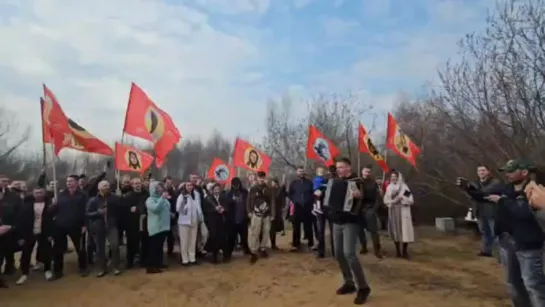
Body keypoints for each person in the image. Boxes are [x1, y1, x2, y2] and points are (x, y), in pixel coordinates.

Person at [485, 159, 545, 307]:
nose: (507, 174)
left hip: (529, 244)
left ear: (524, 172)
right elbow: (483, 195)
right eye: (506, 171)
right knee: (514, 284)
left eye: (511, 171)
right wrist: (469, 189)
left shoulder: (535, 189)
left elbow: (525, 213)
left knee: (533, 285)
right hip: (509, 241)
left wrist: (503, 202)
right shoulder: (507, 189)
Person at [323, 157, 370, 305]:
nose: (339, 170)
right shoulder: (334, 181)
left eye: (342, 167)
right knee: (338, 253)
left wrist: (360, 196)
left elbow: (367, 197)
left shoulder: (358, 181)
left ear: (348, 167)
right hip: (337, 221)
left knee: (349, 253)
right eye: (338, 168)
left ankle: (363, 288)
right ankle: (349, 283)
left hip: (351, 221)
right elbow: (329, 199)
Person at [456, 165, 501, 257]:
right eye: (479, 170)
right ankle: (486, 251)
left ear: (488, 171)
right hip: (479, 211)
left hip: (492, 212)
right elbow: (473, 196)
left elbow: (483, 193)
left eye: (483, 170)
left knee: (495, 233)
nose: (481, 172)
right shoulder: (475, 183)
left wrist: (469, 189)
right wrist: (466, 188)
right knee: (484, 232)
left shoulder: (495, 182)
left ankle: (498, 252)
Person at [15, 185, 55, 285]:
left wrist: (51, 234)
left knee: (46, 251)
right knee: (26, 253)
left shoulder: (49, 204)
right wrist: (20, 236)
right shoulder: (26, 205)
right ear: (33, 194)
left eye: (40, 192)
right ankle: (24, 273)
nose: (38, 195)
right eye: (36, 193)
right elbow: (21, 221)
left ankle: (47, 270)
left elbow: (51, 221)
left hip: (44, 232)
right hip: (29, 232)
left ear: (44, 193)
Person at [51, 175, 88, 279]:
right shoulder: (60, 195)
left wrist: (85, 224)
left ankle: (83, 268)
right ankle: (58, 271)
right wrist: (53, 204)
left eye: (71, 181)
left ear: (76, 182)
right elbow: (55, 210)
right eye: (67, 181)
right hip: (60, 225)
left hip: (77, 225)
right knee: (58, 249)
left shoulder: (83, 195)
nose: (68, 183)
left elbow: (86, 211)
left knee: (80, 248)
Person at [86, 180, 123, 277]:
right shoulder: (93, 200)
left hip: (111, 226)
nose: (107, 187)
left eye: (108, 185)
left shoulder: (114, 198)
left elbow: (121, 207)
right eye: (105, 185)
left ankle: (116, 267)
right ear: (99, 188)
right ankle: (102, 268)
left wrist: (120, 197)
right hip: (98, 227)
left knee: (114, 246)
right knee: (99, 249)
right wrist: (98, 213)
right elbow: (87, 214)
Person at [383, 171, 415, 259]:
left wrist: (402, 199)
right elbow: (386, 200)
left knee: (404, 231)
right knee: (396, 231)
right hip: (394, 211)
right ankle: (398, 252)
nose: (393, 178)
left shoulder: (404, 187)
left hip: (403, 211)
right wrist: (392, 201)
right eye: (392, 176)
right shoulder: (389, 187)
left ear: (398, 177)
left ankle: (404, 251)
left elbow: (410, 199)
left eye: (395, 176)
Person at [247, 171, 275, 263]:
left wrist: (272, 214)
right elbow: (248, 201)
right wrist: (249, 211)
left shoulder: (269, 189)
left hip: (266, 214)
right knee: (255, 232)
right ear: (257, 178)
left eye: (263, 177)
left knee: (266, 232)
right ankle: (254, 251)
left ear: (265, 178)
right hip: (256, 214)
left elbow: (272, 201)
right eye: (260, 177)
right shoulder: (253, 189)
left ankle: (262, 248)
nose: (261, 179)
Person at [145, 181, 171, 274]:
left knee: (160, 247)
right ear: (154, 189)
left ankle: (158, 263)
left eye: (161, 187)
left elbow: (167, 208)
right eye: (158, 187)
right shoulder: (150, 200)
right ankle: (151, 267)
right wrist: (162, 199)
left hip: (164, 227)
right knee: (154, 247)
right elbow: (156, 209)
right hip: (156, 227)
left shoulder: (162, 198)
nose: (161, 189)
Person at [123, 177, 149, 269]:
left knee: (145, 242)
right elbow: (125, 209)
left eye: (139, 183)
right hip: (132, 223)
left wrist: (138, 209)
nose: (137, 185)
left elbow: (147, 205)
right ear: (132, 185)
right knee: (132, 242)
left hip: (145, 221)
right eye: (135, 183)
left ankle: (143, 260)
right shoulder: (128, 196)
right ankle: (130, 261)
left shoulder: (147, 194)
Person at [358, 165, 383, 259]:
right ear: (362, 171)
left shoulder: (373, 183)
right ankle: (364, 247)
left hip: (370, 209)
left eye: (369, 172)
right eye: (365, 171)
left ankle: (377, 250)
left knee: (374, 231)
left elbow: (378, 198)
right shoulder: (358, 182)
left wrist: (374, 209)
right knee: (360, 230)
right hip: (359, 209)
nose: (367, 173)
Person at [203, 183, 232, 263]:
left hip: (222, 221)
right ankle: (215, 257)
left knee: (224, 238)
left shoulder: (223, 198)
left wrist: (223, 209)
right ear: (212, 190)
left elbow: (227, 207)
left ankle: (225, 256)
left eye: (218, 189)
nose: (217, 191)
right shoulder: (208, 199)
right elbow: (206, 210)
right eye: (215, 189)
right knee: (214, 238)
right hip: (213, 222)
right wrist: (215, 209)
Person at [176, 182, 203, 265]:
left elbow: (198, 208)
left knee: (192, 241)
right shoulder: (182, 196)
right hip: (184, 222)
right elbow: (178, 209)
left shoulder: (195, 196)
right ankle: (185, 259)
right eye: (188, 185)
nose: (190, 187)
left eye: (191, 185)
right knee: (184, 241)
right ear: (185, 187)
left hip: (194, 221)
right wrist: (185, 205)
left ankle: (192, 258)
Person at [288, 166, 314, 251]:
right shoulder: (293, 183)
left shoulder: (309, 182)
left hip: (307, 207)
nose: (301, 173)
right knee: (296, 227)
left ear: (304, 172)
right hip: (297, 207)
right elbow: (290, 194)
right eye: (299, 171)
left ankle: (311, 244)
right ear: (297, 173)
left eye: (302, 171)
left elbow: (313, 193)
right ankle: (295, 244)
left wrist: (310, 201)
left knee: (309, 226)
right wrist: (295, 200)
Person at [225, 177, 250, 254]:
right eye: (234, 185)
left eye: (238, 185)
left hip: (243, 218)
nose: (236, 186)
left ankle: (246, 250)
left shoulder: (245, 192)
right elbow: (226, 204)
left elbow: (248, 203)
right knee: (231, 238)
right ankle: (228, 253)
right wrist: (232, 200)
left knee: (244, 237)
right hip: (232, 220)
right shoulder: (229, 194)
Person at [269, 177, 285, 251]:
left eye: (274, 182)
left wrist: (283, 186)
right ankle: (268, 245)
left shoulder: (278, 190)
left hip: (277, 212)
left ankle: (273, 244)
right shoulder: (269, 190)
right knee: (269, 229)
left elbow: (282, 196)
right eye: (272, 182)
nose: (273, 184)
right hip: (269, 212)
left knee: (273, 229)